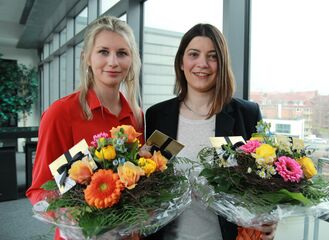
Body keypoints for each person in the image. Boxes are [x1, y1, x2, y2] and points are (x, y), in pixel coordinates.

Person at [145, 23, 277, 240]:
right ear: (181, 62)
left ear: (222, 63)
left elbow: (268, 179)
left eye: (212, 56)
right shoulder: (156, 116)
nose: (202, 64)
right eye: (193, 54)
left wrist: (270, 218)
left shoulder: (247, 114)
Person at [26, 16, 143, 240]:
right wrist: (74, 220)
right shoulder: (60, 114)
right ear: (87, 58)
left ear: (131, 60)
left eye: (122, 53)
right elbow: (39, 189)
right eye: (103, 52)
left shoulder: (137, 117)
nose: (113, 62)